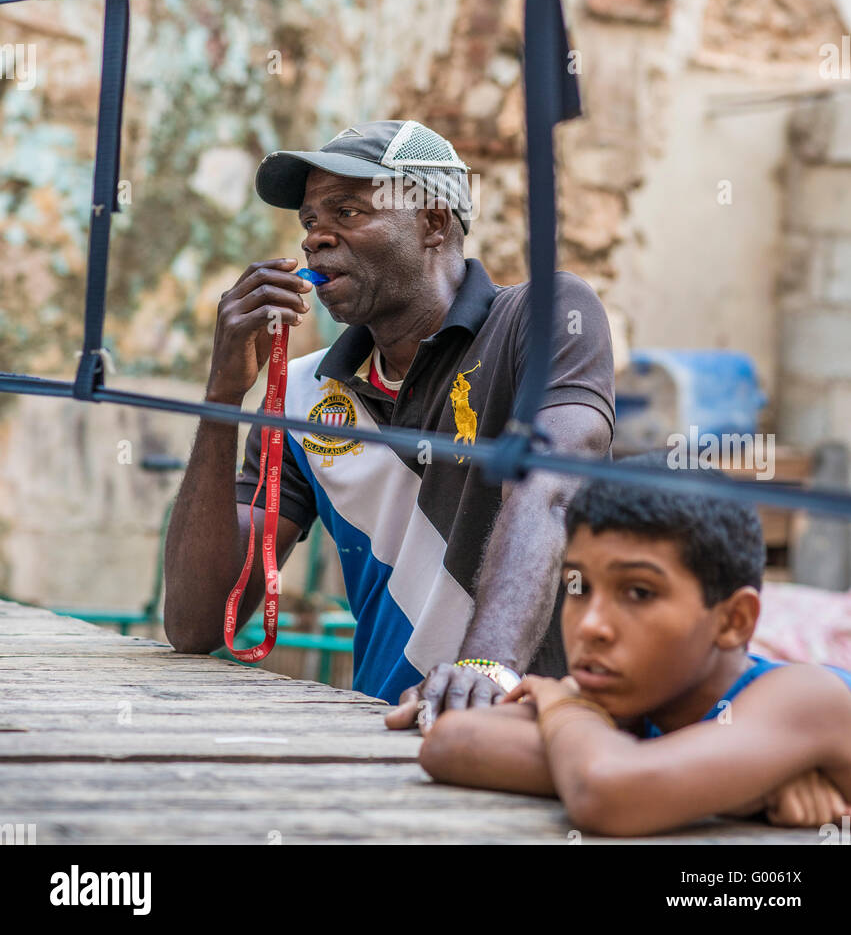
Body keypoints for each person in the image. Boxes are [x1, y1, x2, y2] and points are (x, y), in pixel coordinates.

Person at [163, 119, 615, 723]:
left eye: (346, 212)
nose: (315, 240)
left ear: (432, 221)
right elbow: (197, 623)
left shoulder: (542, 317)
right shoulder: (299, 394)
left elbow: (551, 489)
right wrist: (221, 396)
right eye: (309, 223)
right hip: (382, 731)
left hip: (533, 727)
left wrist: (486, 672)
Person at [419, 466, 851, 833]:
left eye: (640, 592)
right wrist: (730, 788)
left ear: (734, 620)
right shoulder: (630, 694)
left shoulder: (807, 696)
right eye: (579, 586)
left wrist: (563, 707)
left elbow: (605, 790)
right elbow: (452, 741)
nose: (591, 625)